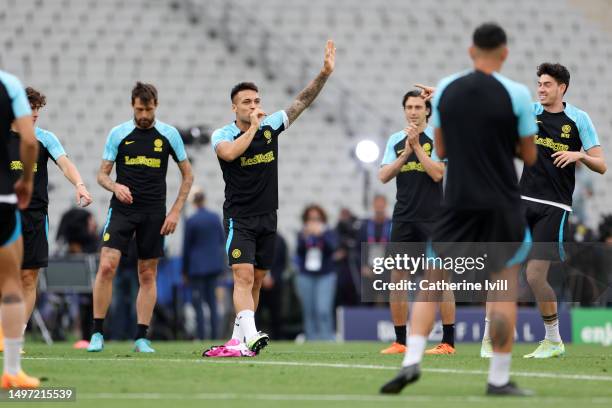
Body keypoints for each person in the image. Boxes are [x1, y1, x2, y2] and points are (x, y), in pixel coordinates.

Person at [380, 23, 537, 396]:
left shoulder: (448, 89)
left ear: (471, 51)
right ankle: (498, 378)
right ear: (505, 54)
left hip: (457, 203)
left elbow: (444, 149)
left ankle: (411, 359)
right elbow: (529, 154)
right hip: (501, 202)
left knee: (432, 282)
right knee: (502, 287)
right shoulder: (516, 93)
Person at [204, 40, 335, 357]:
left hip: (268, 216)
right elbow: (231, 154)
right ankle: (251, 337)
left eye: (257, 100)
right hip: (240, 217)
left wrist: (324, 73)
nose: (253, 105)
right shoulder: (223, 135)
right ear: (234, 108)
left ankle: (238, 341)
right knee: (243, 276)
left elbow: (301, 101)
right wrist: (254, 127)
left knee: (258, 280)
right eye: (246, 102)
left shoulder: (271, 126)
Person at [502, 63, 606, 359]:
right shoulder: (530, 112)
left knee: (535, 275)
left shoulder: (578, 119)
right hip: (522, 201)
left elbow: (602, 165)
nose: (541, 89)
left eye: (547, 84)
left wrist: (579, 155)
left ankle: (553, 340)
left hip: (554, 207)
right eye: (539, 84)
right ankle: (492, 337)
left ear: (562, 88)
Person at [87, 82, 193, 353]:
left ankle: (141, 337)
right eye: (139, 109)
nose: (144, 115)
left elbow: (188, 175)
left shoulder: (169, 135)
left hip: (154, 212)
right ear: (132, 106)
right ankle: (97, 333)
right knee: (107, 265)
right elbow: (101, 175)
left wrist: (175, 211)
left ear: (156, 105)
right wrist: (115, 186)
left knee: (147, 273)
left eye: (148, 109)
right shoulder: (119, 133)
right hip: (122, 210)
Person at [1, 87, 93, 351]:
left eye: (37, 109)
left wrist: (80, 184)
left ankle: (14, 338)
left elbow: (65, 163)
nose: (34, 114)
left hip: (35, 217)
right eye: (29, 108)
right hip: (5, 213)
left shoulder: (44, 138)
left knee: (29, 276)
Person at [378, 89, 456, 355]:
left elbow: (437, 173)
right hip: (404, 217)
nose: (413, 111)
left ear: (427, 111)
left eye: (418, 107)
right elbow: (383, 176)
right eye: (409, 107)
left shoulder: (437, 137)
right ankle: (400, 341)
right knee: (397, 278)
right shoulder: (395, 140)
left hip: (435, 219)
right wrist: (404, 154)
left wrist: (418, 149)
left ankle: (448, 342)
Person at [0, 69, 40, 388]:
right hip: (3, 196)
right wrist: (26, 180)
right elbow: (29, 140)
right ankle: (12, 371)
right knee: (11, 283)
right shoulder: (9, 84)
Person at [182, 190, 225, 340]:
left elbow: (186, 247)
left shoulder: (191, 220)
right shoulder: (214, 218)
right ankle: (215, 335)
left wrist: (184, 271)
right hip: (213, 266)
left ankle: (201, 335)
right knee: (212, 303)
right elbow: (221, 240)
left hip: (197, 268)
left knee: (198, 303)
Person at [296, 205, 337, 341]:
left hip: (325, 275)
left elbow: (332, 249)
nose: (313, 221)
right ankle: (311, 339)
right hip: (306, 275)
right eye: (310, 218)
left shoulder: (328, 232)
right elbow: (299, 252)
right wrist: (306, 237)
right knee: (309, 310)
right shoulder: (302, 233)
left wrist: (320, 236)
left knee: (323, 309)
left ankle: (327, 338)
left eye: (317, 218)